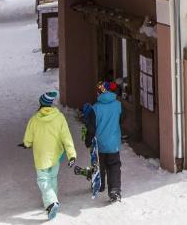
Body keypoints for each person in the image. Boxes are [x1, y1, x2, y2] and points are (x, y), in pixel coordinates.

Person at [22, 90, 77, 220]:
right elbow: (66, 137)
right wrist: (71, 154)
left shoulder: (34, 120)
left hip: (41, 157)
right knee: (52, 177)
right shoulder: (59, 118)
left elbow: (27, 139)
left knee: (43, 180)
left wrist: (26, 144)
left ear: (41, 104)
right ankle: (52, 201)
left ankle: (51, 202)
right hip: (56, 155)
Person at [85, 81, 123, 202]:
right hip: (113, 143)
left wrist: (88, 140)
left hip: (100, 144)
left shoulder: (95, 108)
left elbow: (91, 128)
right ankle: (114, 189)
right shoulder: (118, 105)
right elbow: (122, 119)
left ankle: (100, 185)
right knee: (114, 166)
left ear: (99, 93)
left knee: (100, 166)